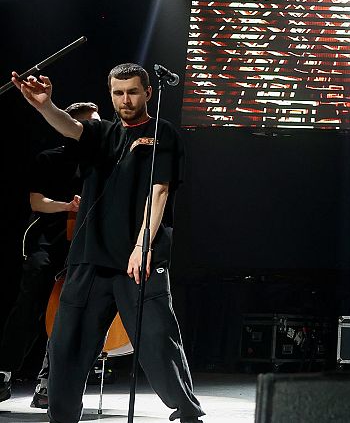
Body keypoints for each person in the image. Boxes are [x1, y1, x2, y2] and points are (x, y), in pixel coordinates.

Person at [11, 64, 204, 423]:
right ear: (111, 95)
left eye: (132, 91)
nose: (125, 99)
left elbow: (159, 192)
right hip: (90, 257)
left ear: (148, 92)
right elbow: (70, 126)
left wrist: (142, 246)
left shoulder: (162, 133)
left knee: (158, 339)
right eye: (118, 92)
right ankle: (62, 417)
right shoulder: (100, 133)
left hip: (139, 260)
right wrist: (45, 105)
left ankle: (187, 412)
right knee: (66, 344)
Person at [0, 102, 99, 409]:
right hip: (46, 240)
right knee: (29, 308)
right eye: (91, 124)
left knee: (66, 315)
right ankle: (4, 373)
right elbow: (37, 202)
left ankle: (48, 382)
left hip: (84, 246)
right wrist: (67, 206)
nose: (98, 129)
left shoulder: (102, 163)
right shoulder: (49, 158)